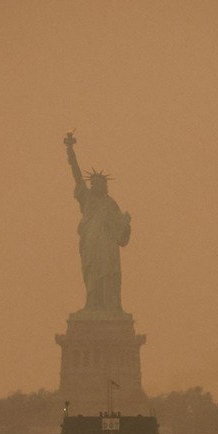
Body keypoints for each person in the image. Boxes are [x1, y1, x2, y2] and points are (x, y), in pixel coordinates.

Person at [64, 132, 131, 313]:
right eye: (93, 183)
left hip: (108, 245)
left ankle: (112, 306)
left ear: (105, 186)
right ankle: (92, 304)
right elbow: (77, 175)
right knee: (92, 272)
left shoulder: (111, 204)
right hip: (90, 243)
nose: (95, 186)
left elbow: (121, 234)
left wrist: (126, 223)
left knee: (109, 273)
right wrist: (70, 152)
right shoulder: (86, 199)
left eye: (99, 183)